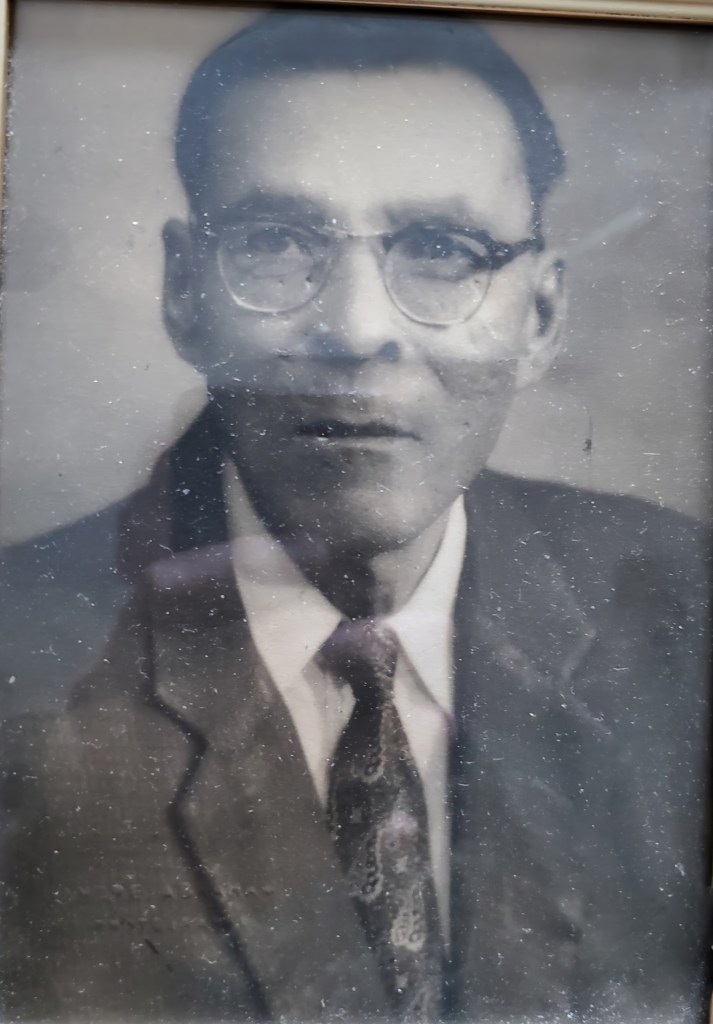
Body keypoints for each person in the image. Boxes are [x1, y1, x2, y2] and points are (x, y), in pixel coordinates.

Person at [1, 11, 710, 1024]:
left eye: (441, 249)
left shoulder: (680, 605)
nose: (358, 327)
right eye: (275, 243)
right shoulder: (22, 660)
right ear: (184, 291)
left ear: (540, 316)